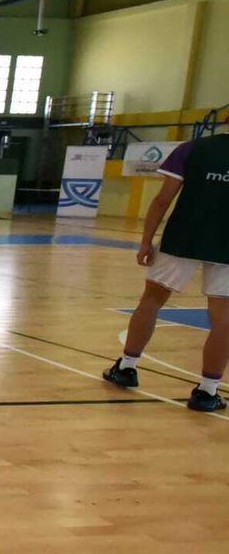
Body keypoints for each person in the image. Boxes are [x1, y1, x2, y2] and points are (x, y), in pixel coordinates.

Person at [102, 132, 229, 412]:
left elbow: (163, 200)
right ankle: (207, 392)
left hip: (182, 238)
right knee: (224, 320)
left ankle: (126, 367)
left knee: (152, 300)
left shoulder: (192, 148)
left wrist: (146, 241)